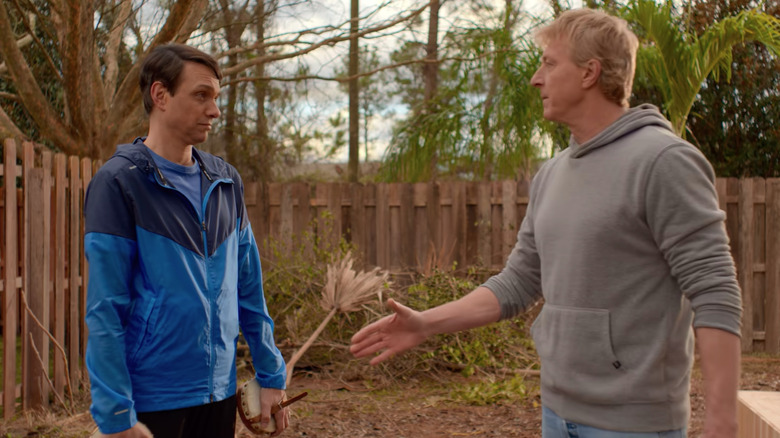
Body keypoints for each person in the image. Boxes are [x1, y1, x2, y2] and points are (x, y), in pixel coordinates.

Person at [350, 8, 742, 438]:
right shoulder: (552, 173)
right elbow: (518, 282)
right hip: (557, 411)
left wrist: (722, 423)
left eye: (550, 63)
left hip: (633, 426)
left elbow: (714, 289)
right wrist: (427, 322)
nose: (536, 78)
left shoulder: (663, 162)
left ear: (590, 72)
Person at [84, 43, 289, 438]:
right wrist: (116, 416)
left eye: (215, 98)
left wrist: (271, 374)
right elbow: (105, 310)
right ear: (160, 95)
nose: (214, 110)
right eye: (201, 96)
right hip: (151, 400)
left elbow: (249, 292)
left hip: (219, 394)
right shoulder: (119, 183)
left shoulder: (226, 182)